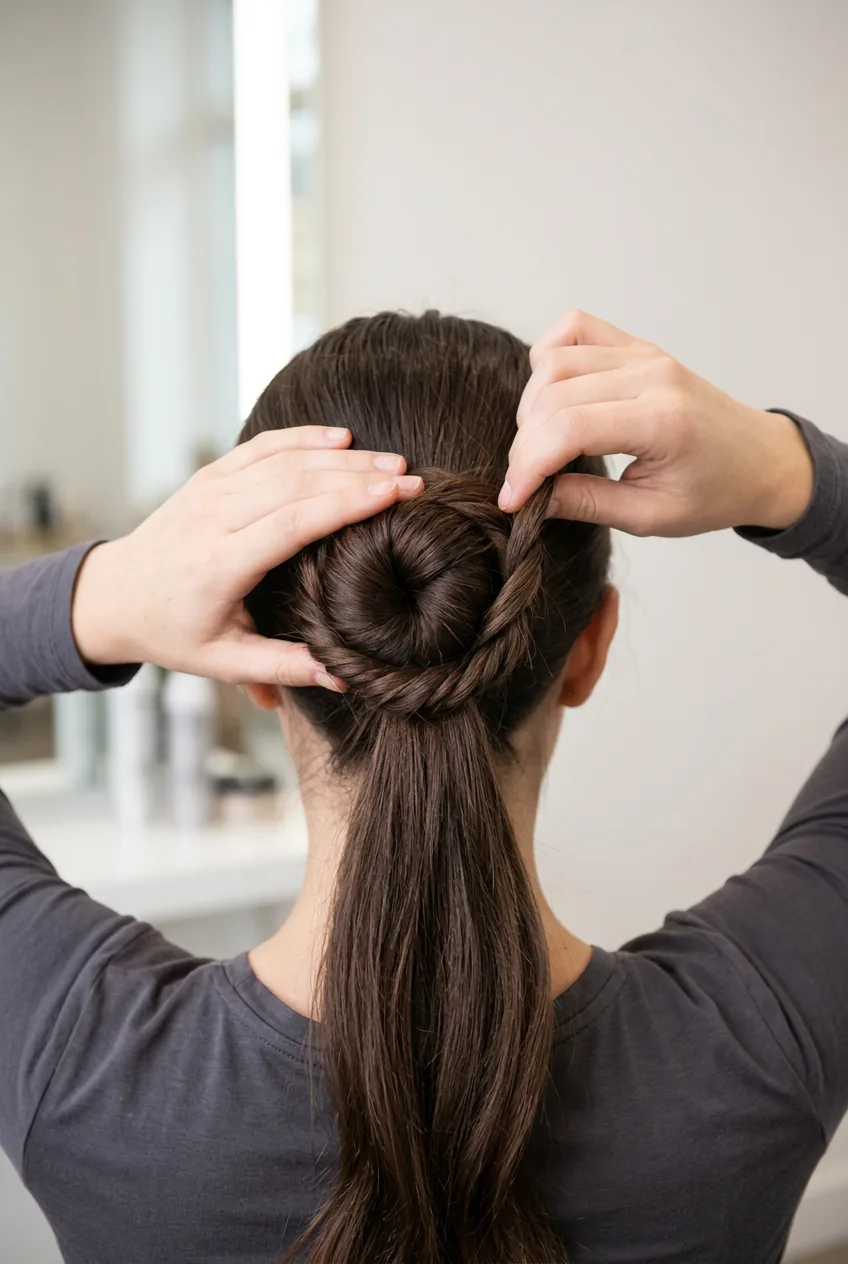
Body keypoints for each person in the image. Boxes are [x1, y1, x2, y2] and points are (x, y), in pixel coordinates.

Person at [0, 309, 844, 1264]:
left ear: (255, 667)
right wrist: (786, 473)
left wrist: (101, 596)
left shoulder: (89, 1075)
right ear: (589, 650)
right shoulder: (748, 1052)